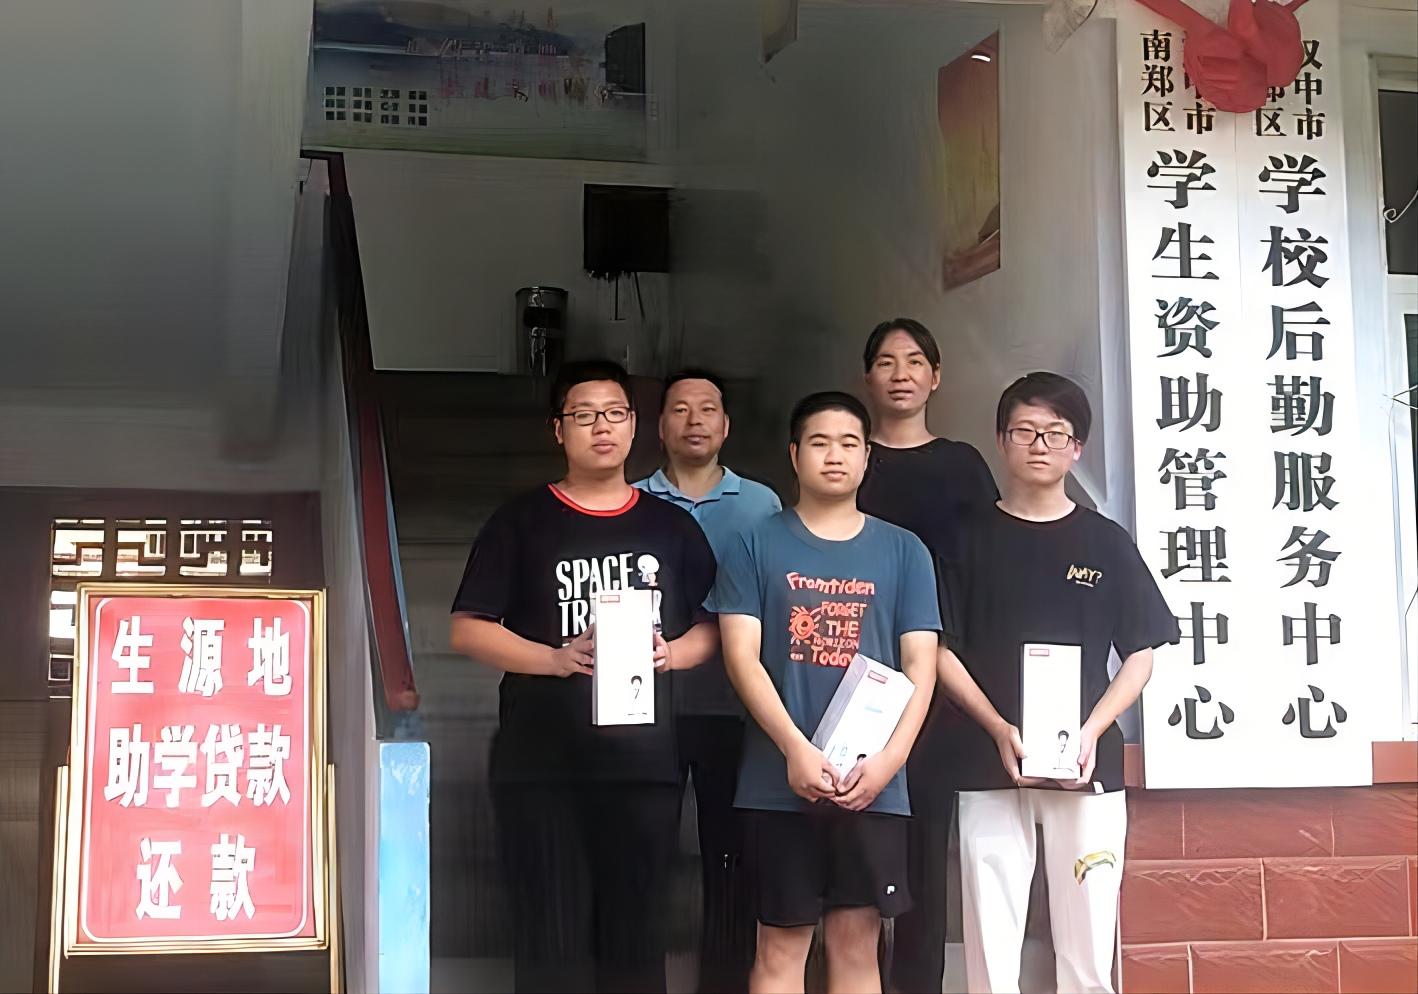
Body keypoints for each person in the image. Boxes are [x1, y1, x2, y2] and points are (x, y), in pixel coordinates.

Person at [449, 359, 720, 994]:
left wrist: (671, 654)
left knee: (636, 937)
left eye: (615, 413)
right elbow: (468, 628)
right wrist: (554, 659)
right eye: (584, 415)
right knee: (552, 938)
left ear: (635, 426)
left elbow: (715, 626)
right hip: (542, 766)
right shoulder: (521, 521)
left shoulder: (671, 527)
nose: (602, 427)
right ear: (559, 429)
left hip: (644, 767)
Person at [936, 373, 1180, 994]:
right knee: (991, 946)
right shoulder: (963, 536)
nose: (1039, 444)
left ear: (1077, 447)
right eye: (1024, 431)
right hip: (986, 761)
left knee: (1089, 943)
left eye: (1055, 433)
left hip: (1086, 767)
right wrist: (997, 727)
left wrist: (1093, 730)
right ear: (1000, 440)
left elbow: (1141, 653)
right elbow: (938, 650)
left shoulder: (1105, 541)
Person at [711, 391, 941, 994]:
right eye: (819, 442)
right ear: (794, 455)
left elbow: (921, 664)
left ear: (867, 457)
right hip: (776, 782)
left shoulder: (905, 551)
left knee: (857, 944)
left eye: (848, 444)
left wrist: (889, 762)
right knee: (779, 947)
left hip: (872, 785)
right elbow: (741, 656)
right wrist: (794, 747)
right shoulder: (754, 543)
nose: (834, 456)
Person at [854, 318, 998, 994]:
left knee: (925, 838)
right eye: (886, 361)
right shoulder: (851, 456)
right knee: (849, 843)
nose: (901, 373)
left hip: (940, 669)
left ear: (936, 377)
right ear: (868, 378)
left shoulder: (962, 464)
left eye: (915, 361)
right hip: (853, 665)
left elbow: (985, 565)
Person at [634, 368, 782, 993]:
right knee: (644, 856)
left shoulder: (762, 504)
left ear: (726, 425)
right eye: (680, 409)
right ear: (658, 425)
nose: (694, 420)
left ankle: (722, 981)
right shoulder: (631, 500)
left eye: (707, 409)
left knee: (731, 858)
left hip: (735, 709)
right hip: (648, 710)